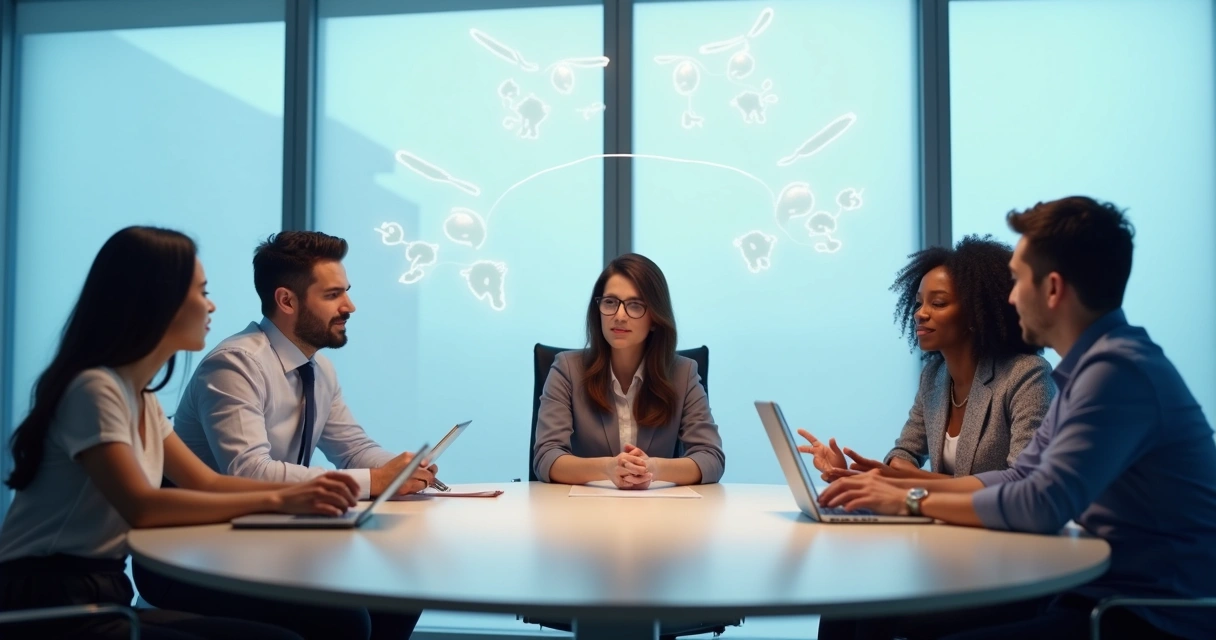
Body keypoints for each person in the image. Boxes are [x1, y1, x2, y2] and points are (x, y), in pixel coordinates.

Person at [819, 196, 1216, 640]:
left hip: (1144, 614)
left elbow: (1041, 504)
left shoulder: (1117, 373)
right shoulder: (1092, 369)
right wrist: (893, 486)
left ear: (1052, 289)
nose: (1009, 297)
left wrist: (910, 500)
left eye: (1018, 280)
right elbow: (1020, 476)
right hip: (1092, 592)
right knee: (858, 610)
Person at [0, 226, 358, 640]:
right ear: (157, 300)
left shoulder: (139, 396)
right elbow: (142, 506)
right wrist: (282, 498)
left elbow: (207, 482)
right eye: (202, 292)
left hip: (102, 594)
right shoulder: (93, 389)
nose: (211, 305)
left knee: (321, 627)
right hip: (48, 603)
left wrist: (305, 494)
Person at [134, 231, 425, 640]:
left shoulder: (317, 368)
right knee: (344, 620)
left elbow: (353, 448)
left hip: (264, 535)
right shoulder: (235, 365)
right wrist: (374, 481)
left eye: (347, 292)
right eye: (333, 295)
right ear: (287, 301)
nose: (350, 306)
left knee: (401, 589)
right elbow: (249, 471)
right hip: (192, 552)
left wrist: (401, 470)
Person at [807, 235, 1057, 640]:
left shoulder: (1026, 376)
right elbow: (905, 452)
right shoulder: (935, 376)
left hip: (1003, 561)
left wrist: (899, 483)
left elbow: (1020, 485)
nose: (920, 313)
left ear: (976, 313)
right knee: (845, 601)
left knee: (872, 613)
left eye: (938, 303)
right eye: (919, 302)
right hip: (946, 549)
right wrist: (860, 472)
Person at [533, 253, 725, 488]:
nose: (619, 316)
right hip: (584, 507)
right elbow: (546, 457)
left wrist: (654, 469)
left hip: (659, 508)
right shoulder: (567, 369)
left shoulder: (683, 373)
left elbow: (711, 458)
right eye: (610, 302)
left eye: (635, 305)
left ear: (655, 318)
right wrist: (607, 468)